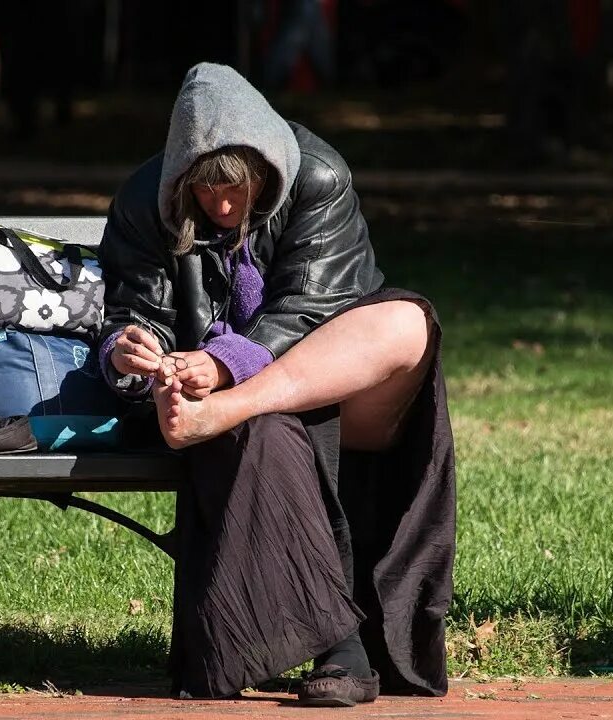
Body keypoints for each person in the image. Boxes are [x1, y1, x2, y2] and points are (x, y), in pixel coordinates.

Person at [97, 63, 455, 706]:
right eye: (206, 194)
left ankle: (235, 407)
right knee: (272, 426)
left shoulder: (319, 177)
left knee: (403, 324)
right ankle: (341, 651)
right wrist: (129, 356)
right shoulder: (143, 200)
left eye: (238, 190)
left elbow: (315, 310)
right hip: (215, 402)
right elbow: (131, 316)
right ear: (182, 181)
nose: (225, 207)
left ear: (266, 166)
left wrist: (230, 367)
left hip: (332, 375)